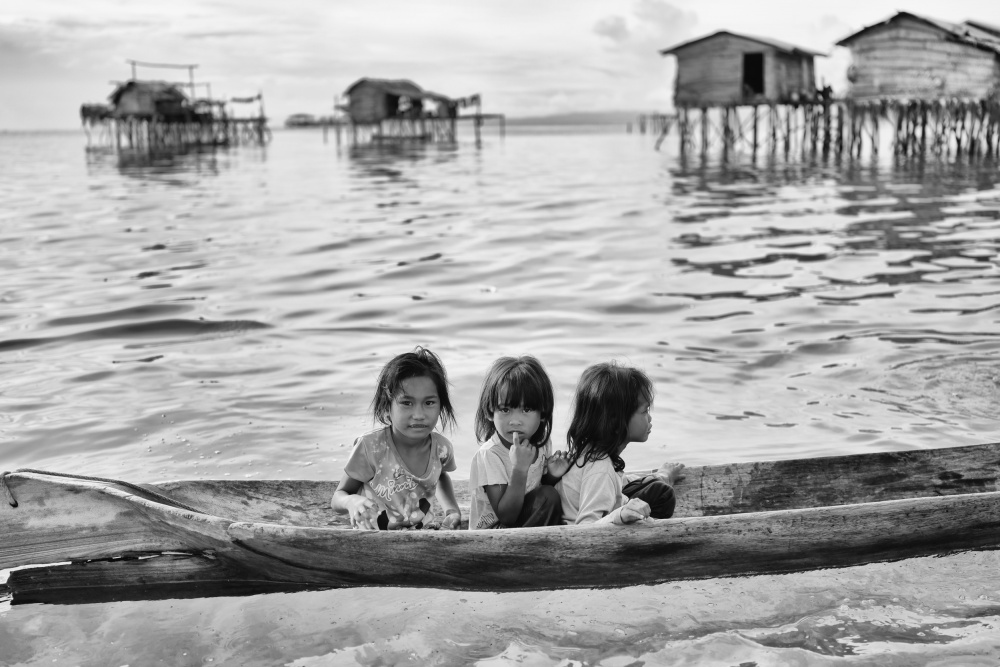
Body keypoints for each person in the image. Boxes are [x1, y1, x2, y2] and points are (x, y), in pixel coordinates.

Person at [331, 347, 462, 530]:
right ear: (387, 407)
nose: (419, 414)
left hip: (423, 539)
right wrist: (352, 502)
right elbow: (339, 496)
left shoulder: (441, 448)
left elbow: (441, 476)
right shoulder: (371, 448)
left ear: (441, 406)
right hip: (373, 541)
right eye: (407, 403)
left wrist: (451, 510)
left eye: (429, 403)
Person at [557, 361, 685, 525]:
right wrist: (620, 516)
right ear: (616, 422)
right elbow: (585, 528)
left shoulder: (596, 454)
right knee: (662, 494)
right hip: (580, 539)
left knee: (656, 485)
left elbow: (620, 482)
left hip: (601, 518)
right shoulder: (600, 468)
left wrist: (662, 475)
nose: (650, 418)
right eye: (644, 411)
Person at [468, 356, 570, 529]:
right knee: (548, 496)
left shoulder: (542, 443)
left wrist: (552, 475)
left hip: (524, 523)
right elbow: (506, 516)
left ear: (543, 413)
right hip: (492, 534)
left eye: (527, 409)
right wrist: (519, 468)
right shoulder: (490, 455)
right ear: (490, 412)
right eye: (505, 409)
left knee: (552, 493)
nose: (515, 421)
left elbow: (534, 489)